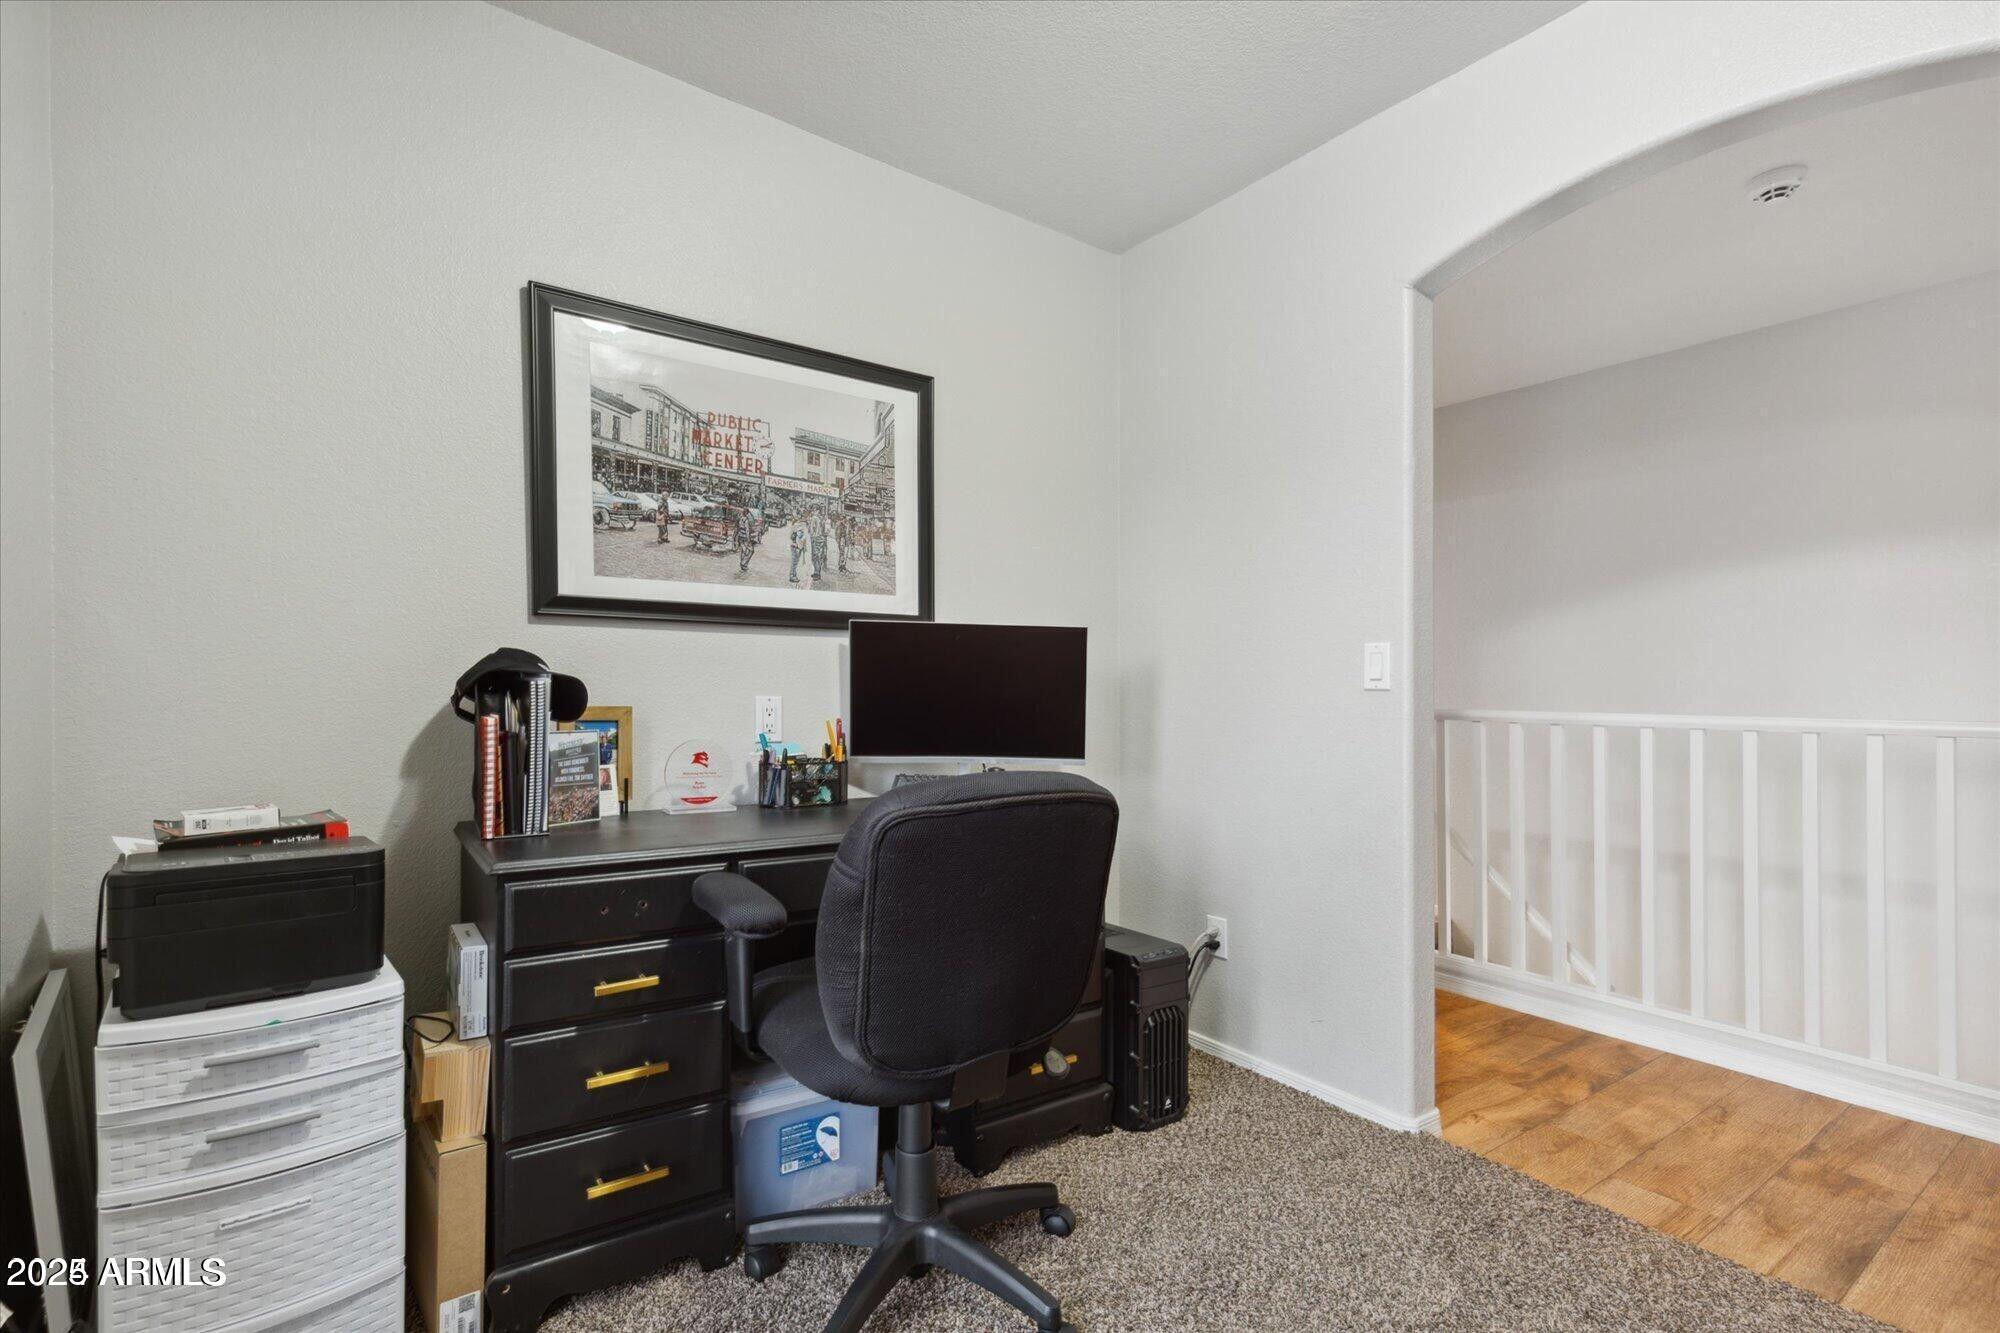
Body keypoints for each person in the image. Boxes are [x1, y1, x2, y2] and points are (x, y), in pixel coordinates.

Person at [734, 505, 758, 572]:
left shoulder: (740, 518)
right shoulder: (746, 520)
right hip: (745, 537)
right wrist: (748, 539)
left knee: (743, 550)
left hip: (740, 536)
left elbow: (737, 528)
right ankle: (744, 564)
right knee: (751, 551)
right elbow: (747, 530)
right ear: (747, 513)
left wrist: (736, 538)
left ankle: (743, 565)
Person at [788, 519, 809, 585]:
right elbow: (800, 539)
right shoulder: (799, 528)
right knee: (794, 562)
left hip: (795, 546)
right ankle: (792, 576)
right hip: (796, 547)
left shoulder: (796, 527)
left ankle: (794, 575)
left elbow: (791, 537)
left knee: (795, 562)